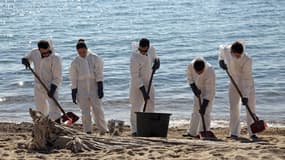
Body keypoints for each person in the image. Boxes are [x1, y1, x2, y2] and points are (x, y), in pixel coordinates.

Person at [219, 41, 258, 139]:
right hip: (233, 82)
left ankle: (252, 132)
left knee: (250, 107)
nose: (237, 57)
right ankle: (234, 133)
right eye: (235, 56)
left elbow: (246, 79)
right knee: (234, 107)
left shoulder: (247, 60)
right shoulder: (226, 50)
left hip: (247, 84)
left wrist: (245, 96)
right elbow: (221, 51)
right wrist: (220, 61)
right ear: (231, 52)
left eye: (238, 56)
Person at [69, 39, 108, 135]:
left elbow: (99, 73)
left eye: (84, 51)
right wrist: (74, 91)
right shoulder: (75, 62)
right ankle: (88, 131)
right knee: (85, 111)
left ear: (87, 49)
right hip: (81, 88)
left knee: (97, 109)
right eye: (80, 52)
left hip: (93, 85)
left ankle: (103, 129)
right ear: (77, 51)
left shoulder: (94, 58)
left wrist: (100, 86)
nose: (82, 53)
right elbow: (73, 78)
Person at [21, 39, 62, 122]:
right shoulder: (34, 53)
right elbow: (27, 58)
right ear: (39, 50)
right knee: (40, 108)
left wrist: (53, 89)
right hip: (38, 85)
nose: (46, 54)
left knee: (54, 108)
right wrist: (25, 60)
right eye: (44, 53)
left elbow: (57, 77)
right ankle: (43, 126)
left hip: (51, 85)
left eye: (48, 52)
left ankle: (58, 125)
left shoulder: (55, 58)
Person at [129, 38, 160, 136]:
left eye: (145, 50)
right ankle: (134, 130)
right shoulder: (134, 57)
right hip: (137, 85)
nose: (142, 52)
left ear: (148, 47)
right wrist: (143, 91)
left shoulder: (152, 49)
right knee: (136, 106)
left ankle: (148, 126)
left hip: (149, 81)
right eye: (141, 50)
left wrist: (157, 63)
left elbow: (156, 58)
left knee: (151, 104)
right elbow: (135, 76)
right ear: (139, 47)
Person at [183, 57, 216, 137]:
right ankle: (192, 132)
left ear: (203, 68)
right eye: (197, 72)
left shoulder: (210, 71)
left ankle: (203, 131)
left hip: (208, 89)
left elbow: (209, 90)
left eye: (200, 72)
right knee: (195, 111)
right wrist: (193, 87)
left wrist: (204, 104)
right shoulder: (190, 66)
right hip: (197, 88)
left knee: (206, 112)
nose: (198, 74)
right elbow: (189, 77)